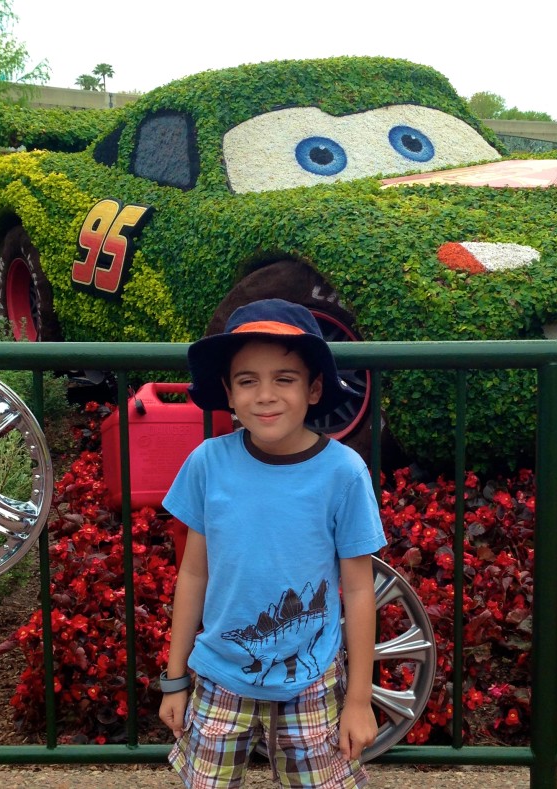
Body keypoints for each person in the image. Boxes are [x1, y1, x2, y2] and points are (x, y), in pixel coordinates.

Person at [158, 298, 387, 788]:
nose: (265, 395)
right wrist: (175, 678)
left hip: (312, 683)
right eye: (247, 380)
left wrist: (359, 700)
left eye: (284, 378)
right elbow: (193, 573)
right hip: (218, 679)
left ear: (314, 387)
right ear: (228, 390)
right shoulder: (207, 463)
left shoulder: (344, 473)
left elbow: (360, 590)